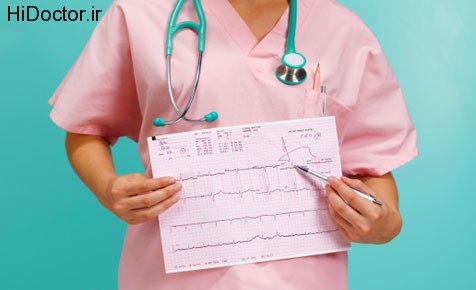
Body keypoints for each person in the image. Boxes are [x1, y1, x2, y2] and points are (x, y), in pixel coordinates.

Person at [48, 0, 418, 289]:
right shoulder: (139, 13)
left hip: (303, 280)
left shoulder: (344, 33)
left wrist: (384, 222)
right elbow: (85, 127)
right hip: (168, 277)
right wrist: (108, 188)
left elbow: (375, 171)